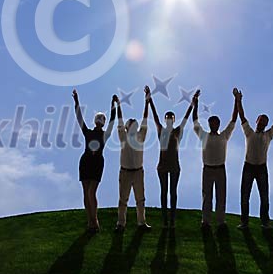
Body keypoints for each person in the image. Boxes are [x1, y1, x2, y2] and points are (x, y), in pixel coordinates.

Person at [236, 90, 273, 230]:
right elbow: (242, 116)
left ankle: (265, 223)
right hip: (248, 167)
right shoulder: (249, 132)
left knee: (264, 197)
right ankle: (244, 222)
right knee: (245, 195)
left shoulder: (269, 135)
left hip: (261, 168)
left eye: (265, 120)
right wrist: (238, 100)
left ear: (266, 124)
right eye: (261, 119)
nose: (263, 122)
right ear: (256, 120)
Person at [148, 87, 199, 228]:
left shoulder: (178, 131)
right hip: (162, 166)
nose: (169, 118)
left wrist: (194, 102)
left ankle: (172, 220)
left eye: (171, 117)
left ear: (173, 119)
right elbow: (155, 116)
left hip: (175, 166)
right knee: (164, 192)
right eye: (167, 117)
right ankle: (165, 220)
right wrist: (150, 99)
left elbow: (187, 117)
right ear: (165, 120)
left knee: (173, 193)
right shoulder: (161, 130)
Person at [192, 88, 239, 229]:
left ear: (218, 124)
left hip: (220, 169)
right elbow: (195, 122)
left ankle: (220, 222)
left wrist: (236, 101)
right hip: (207, 169)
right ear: (209, 124)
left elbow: (233, 120)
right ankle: (205, 222)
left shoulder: (224, 135)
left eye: (215, 123)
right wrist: (196, 104)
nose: (213, 124)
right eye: (211, 123)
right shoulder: (204, 136)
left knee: (221, 197)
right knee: (207, 197)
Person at [72, 89, 116, 233]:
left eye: (101, 119)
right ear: (95, 121)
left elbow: (112, 121)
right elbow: (79, 118)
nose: (99, 121)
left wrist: (113, 105)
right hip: (85, 162)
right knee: (86, 193)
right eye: (98, 118)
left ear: (102, 122)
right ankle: (90, 221)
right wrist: (76, 101)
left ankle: (95, 220)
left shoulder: (105, 135)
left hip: (97, 163)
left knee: (92, 192)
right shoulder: (88, 132)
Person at [114, 86, 152, 232]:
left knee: (140, 199)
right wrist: (118, 105)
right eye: (131, 123)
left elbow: (145, 119)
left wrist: (147, 102)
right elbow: (119, 120)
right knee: (123, 200)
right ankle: (121, 224)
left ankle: (141, 223)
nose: (134, 123)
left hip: (138, 172)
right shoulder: (123, 137)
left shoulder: (140, 136)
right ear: (127, 127)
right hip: (125, 172)